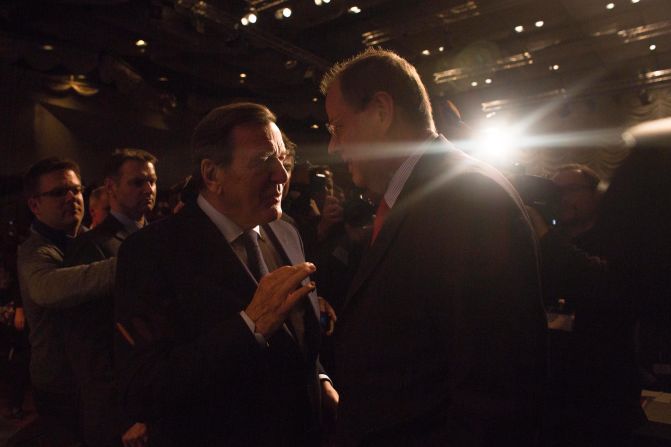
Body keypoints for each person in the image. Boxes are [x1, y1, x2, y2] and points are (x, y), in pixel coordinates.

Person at [321, 48, 547, 446]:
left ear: (380, 111)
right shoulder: (422, 194)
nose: (333, 148)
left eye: (338, 127)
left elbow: (493, 388)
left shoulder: (467, 196)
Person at [114, 102, 338, 446]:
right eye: (264, 161)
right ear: (212, 175)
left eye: (283, 160)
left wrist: (319, 377)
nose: (281, 175)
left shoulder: (287, 231)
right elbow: (145, 387)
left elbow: (294, 336)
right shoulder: (152, 252)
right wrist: (249, 327)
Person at [16, 157, 116, 443]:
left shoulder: (90, 240)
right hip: (60, 382)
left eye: (76, 189)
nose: (72, 197)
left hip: (95, 376)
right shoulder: (35, 250)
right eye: (59, 192)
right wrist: (127, 265)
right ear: (34, 205)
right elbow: (47, 288)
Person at [64, 148, 157, 446]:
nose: (148, 190)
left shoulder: (157, 238)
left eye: (152, 182)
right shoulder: (92, 246)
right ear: (111, 187)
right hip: (120, 407)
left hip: (155, 389)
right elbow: (88, 340)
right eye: (137, 182)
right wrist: (122, 417)